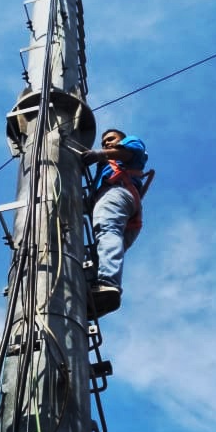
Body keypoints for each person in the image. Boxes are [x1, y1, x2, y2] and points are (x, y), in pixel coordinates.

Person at [83, 128, 151, 315]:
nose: (106, 143)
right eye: (103, 142)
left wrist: (99, 154)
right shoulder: (102, 172)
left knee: (106, 231)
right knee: (99, 252)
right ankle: (92, 297)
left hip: (117, 194)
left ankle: (107, 284)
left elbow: (130, 152)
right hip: (126, 211)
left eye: (111, 139)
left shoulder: (129, 144)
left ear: (121, 140)